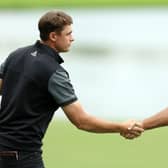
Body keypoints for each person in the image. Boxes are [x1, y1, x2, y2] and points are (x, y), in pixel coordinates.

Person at [0, 10, 144, 168]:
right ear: (54, 36)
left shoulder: (17, 55)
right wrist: (120, 127)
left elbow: (3, 87)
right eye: (68, 34)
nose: (72, 38)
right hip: (23, 156)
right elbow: (82, 121)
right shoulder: (55, 73)